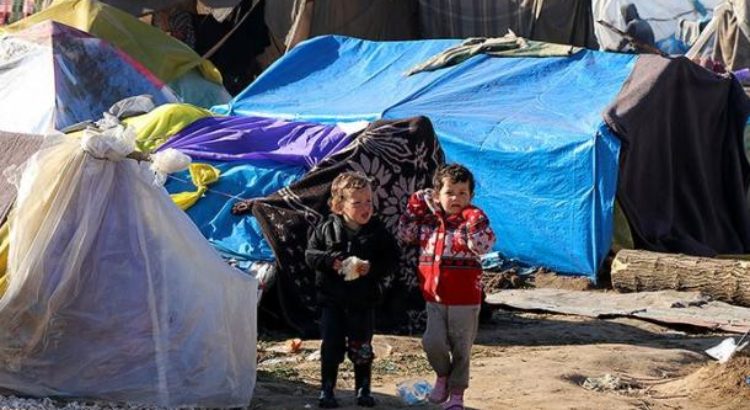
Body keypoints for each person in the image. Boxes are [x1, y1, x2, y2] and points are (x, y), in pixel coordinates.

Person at [397, 164, 496, 410]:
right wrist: (414, 208)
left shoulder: (472, 222)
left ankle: (457, 395)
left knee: (462, 349)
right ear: (437, 194)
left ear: (471, 196)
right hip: (435, 297)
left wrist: (474, 220)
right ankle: (442, 376)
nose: (456, 198)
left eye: (463, 193)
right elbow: (405, 235)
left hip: (465, 299)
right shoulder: (428, 221)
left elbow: (483, 246)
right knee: (432, 342)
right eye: (449, 192)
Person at [305, 171, 396, 408]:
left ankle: (363, 389)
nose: (366, 207)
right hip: (332, 300)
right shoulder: (326, 229)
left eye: (369, 201)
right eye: (357, 203)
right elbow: (310, 255)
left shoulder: (377, 231)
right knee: (331, 345)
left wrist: (371, 267)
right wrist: (330, 261)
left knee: (362, 346)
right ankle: (327, 389)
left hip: (363, 301)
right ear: (339, 205)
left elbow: (391, 259)